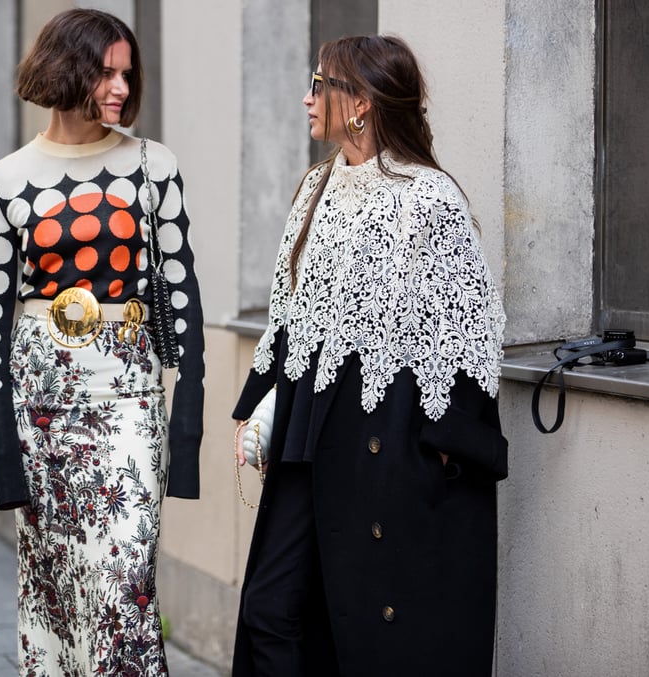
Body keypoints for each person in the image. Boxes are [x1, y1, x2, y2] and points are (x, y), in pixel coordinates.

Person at [231, 34, 508, 676]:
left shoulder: (426, 198)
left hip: (385, 435)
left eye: (320, 84)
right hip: (310, 428)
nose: (307, 97)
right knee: (271, 607)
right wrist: (262, 406)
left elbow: (469, 326)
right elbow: (294, 313)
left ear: (359, 103)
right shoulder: (316, 187)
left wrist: (444, 443)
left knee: (368, 628)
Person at [0, 9, 203, 675]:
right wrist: (3, 456)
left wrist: (184, 437)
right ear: (65, 68)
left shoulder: (152, 165)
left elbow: (184, 302)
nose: (121, 87)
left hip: (130, 401)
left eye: (127, 73)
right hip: (40, 413)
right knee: (53, 590)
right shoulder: (4, 181)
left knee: (124, 580)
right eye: (106, 72)